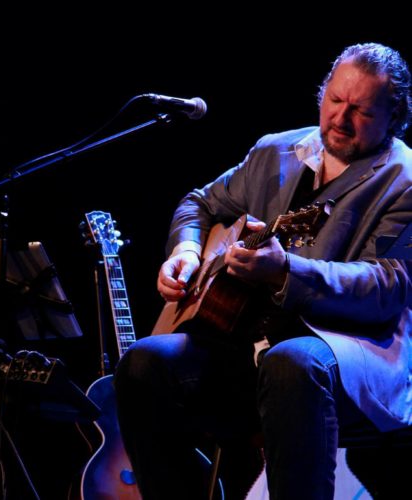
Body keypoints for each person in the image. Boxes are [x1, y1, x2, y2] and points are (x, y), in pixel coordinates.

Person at [114, 42, 412, 499]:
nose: (340, 118)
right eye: (335, 100)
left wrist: (284, 271)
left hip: (351, 353)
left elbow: (387, 284)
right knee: (143, 363)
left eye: (362, 111)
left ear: (394, 117)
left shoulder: (405, 179)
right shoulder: (275, 152)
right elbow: (200, 203)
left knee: (292, 362)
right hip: (245, 344)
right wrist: (187, 251)